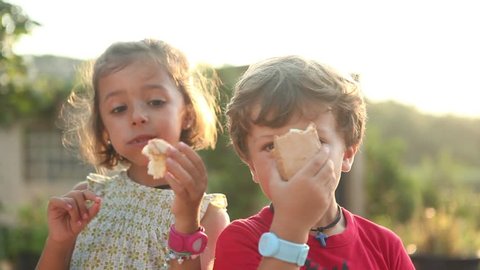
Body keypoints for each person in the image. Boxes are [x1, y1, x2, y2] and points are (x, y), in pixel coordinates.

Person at [36, 39, 229, 270]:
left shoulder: (207, 216)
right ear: (104, 128)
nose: (137, 116)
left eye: (156, 102)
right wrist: (60, 242)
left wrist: (187, 223)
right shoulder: (89, 202)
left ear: (186, 113)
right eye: (119, 108)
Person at [213, 55, 415, 270]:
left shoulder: (385, 247)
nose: (292, 160)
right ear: (252, 165)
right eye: (271, 146)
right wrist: (291, 227)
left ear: (346, 154)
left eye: (314, 140)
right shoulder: (241, 239)